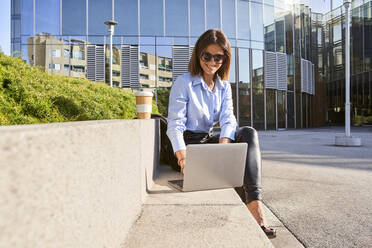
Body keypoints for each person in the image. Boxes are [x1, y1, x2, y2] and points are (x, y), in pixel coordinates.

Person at [164, 29, 277, 238]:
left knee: (248, 132)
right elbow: (175, 125)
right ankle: (251, 210)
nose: (212, 62)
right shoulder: (184, 82)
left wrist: (224, 147)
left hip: (207, 141)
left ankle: (255, 206)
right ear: (199, 55)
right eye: (207, 56)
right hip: (186, 146)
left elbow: (228, 119)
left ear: (224, 59)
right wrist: (183, 158)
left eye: (218, 57)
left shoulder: (224, 87)